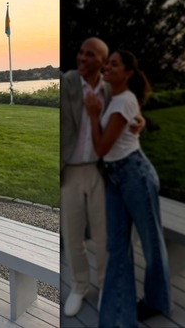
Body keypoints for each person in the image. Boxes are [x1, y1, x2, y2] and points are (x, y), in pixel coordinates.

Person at [84, 50, 171, 327]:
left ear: (129, 73)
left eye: (114, 64)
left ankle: (156, 302)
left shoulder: (124, 100)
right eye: (107, 62)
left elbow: (101, 148)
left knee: (151, 243)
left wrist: (91, 114)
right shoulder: (115, 98)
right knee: (117, 246)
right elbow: (125, 126)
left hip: (135, 176)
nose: (107, 66)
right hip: (115, 177)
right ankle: (121, 313)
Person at [59, 37, 112, 317]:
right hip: (70, 172)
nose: (82, 58)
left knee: (104, 236)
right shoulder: (68, 84)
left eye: (90, 55)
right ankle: (80, 286)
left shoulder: (111, 91)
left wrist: (140, 122)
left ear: (103, 61)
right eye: (80, 52)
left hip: (99, 171)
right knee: (73, 234)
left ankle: (105, 286)